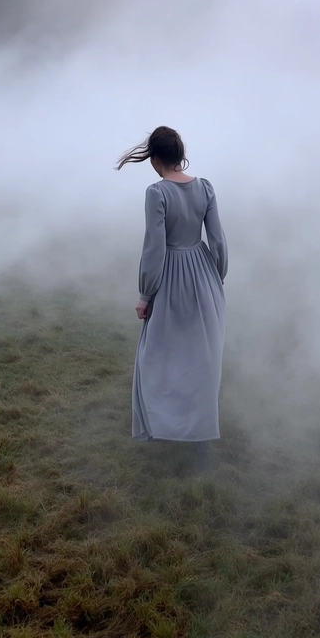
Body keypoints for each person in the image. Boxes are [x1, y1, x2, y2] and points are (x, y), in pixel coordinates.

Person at [116, 126, 228, 472]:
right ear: (179, 155)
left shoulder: (157, 193)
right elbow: (218, 241)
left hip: (171, 279)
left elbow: (154, 249)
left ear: (154, 158)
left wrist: (145, 294)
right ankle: (200, 444)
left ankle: (168, 426)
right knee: (200, 358)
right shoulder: (205, 188)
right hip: (204, 276)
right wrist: (216, 278)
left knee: (159, 356)